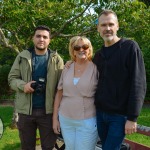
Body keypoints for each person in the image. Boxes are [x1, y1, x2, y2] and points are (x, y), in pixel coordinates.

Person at [93, 9, 146, 150]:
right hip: (99, 114)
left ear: (117, 26)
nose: (107, 28)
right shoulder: (98, 55)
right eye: (103, 25)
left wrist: (132, 118)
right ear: (98, 28)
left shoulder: (130, 47)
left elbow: (138, 84)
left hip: (119, 116)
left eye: (111, 24)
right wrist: (69, 64)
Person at [8, 25, 64, 150]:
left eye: (45, 37)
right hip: (25, 112)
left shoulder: (57, 60)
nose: (41, 39)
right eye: (38, 36)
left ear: (49, 40)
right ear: (33, 38)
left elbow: (62, 87)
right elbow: (12, 79)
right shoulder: (22, 57)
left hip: (48, 113)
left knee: (48, 147)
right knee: (27, 147)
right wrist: (23, 86)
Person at [53, 36, 98, 150]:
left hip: (87, 120)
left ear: (89, 49)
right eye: (77, 47)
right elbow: (59, 94)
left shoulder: (96, 68)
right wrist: (55, 119)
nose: (81, 49)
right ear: (73, 50)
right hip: (66, 119)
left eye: (85, 46)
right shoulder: (67, 67)